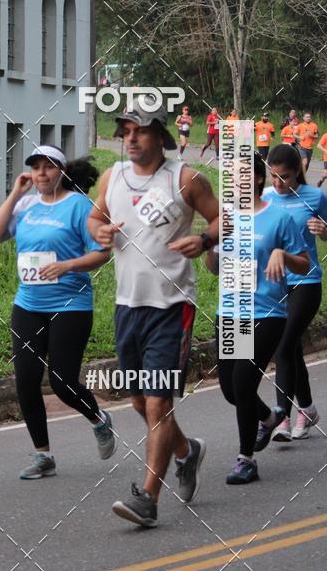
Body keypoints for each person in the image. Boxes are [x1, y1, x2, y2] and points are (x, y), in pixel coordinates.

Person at [88, 99, 220, 527]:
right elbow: (95, 217)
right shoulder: (113, 176)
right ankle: (186, 451)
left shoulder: (185, 179)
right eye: (125, 130)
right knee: (140, 402)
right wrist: (101, 230)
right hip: (128, 305)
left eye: (139, 130)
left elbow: (225, 219)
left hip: (171, 305)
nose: (129, 137)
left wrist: (202, 241)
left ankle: (148, 498)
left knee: (159, 401)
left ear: (160, 136)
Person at [0, 144, 113, 479]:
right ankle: (43, 456)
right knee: (25, 381)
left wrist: (68, 265)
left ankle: (99, 420)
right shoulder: (25, 205)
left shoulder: (80, 206)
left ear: (62, 172)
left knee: (61, 382)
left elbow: (102, 253)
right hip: (28, 305)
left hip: (70, 306)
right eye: (36, 167)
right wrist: (14, 194)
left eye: (49, 167)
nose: (41, 173)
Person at [206, 152, 310, 483]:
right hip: (230, 311)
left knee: (242, 382)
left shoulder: (279, 218)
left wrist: (283, 254)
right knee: (229, 389)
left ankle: (246, 459)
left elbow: (305, 264)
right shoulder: (225, 218)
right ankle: (268, 417)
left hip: (267, 312)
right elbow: (213, 268)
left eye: (242, 174)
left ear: (257, 179)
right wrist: (214, 247)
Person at [260, 143, 327, 442]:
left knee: (283, 345)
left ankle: (281, 417)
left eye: (284, 177)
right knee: (292, 349)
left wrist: (324, 230)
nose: (278, 183)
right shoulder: (265, 198)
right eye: (273, 176)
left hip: (306, 281)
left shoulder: (315, 196)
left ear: (296, 173)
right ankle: (308, 409)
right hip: (275, 284)